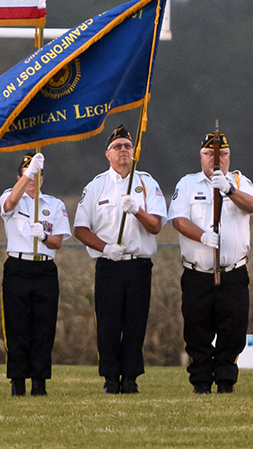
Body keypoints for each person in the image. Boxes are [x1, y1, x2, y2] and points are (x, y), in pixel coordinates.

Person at [167, 130, 253, 395]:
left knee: (233, 328)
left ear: (229, 157)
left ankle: (225, 380)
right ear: (201, 157)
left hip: (233, 272)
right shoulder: (188, 184)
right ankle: (200, 381)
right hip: (198, 272)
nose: (216, 159)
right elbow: (177, 220)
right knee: (196, 328)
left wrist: (229, 190)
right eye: (209, 154)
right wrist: (201, 236)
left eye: (223, 154)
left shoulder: (239, 181)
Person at [73, 125, 167, 394]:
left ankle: (131, 379)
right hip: (109, 264)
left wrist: (137, 211)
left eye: (127, 145)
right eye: (117, 147)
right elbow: (80, 229)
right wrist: (104, 248)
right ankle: (111, 379)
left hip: (138, 264)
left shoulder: (146, 183)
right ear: (108, 154)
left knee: (136, 323)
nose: (123, 150)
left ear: (134, 151)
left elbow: (156, 226)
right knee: (108, 324)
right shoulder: (96, 186)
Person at [0, 152, 71, 397]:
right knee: (16, 325)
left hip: (44, 268)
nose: (32, 179)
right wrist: (29, 172)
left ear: (43, 178)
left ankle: (39, 382)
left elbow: (57, 242)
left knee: (44, 326)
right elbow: (9, 204)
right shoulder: (10, 196)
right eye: (28, 175)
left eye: (37, 175)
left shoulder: (54, 204)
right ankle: (17, 381)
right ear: (19, 177)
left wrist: (43, 236)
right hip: (18, 267)